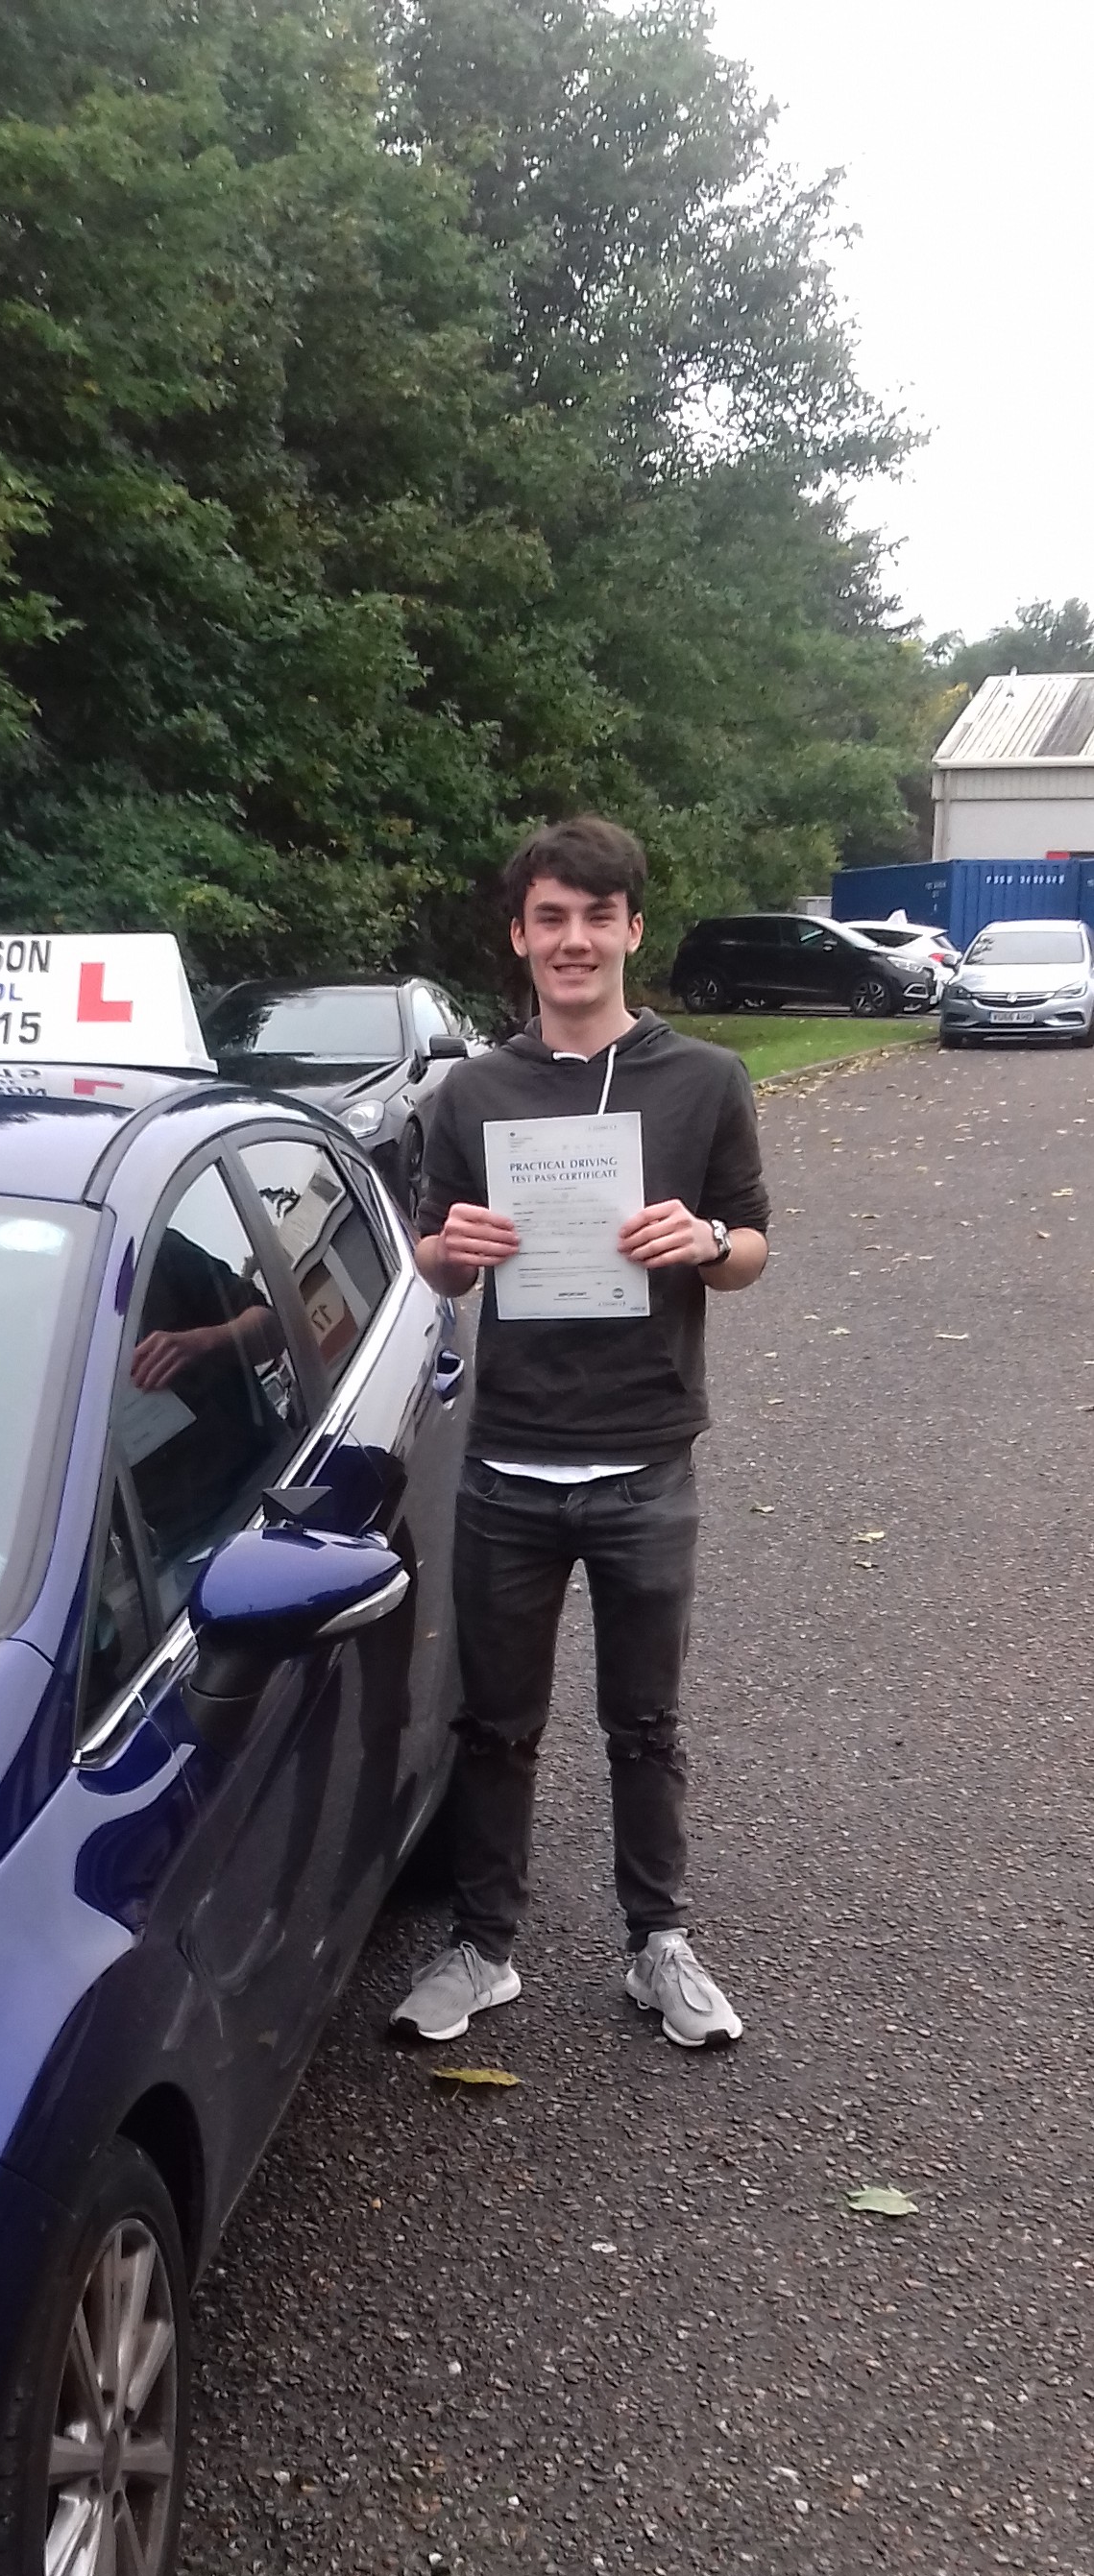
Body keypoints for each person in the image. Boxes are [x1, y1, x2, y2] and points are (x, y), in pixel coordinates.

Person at [392, 814, 769, 2050]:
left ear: (631, 930)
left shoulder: (704, 1079)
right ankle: (484, 1948)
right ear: (519, 937)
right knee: (495, 1725)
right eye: (549, 918)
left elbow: (751, 1249)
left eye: (596, 917)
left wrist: (703, 1241)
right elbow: (436, 1259)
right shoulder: (473, 1090)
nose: (573, 940)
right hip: (507, 1460)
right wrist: (452, 1250)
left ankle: (659, 1945)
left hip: (646, 1459)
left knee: (645, 1727)